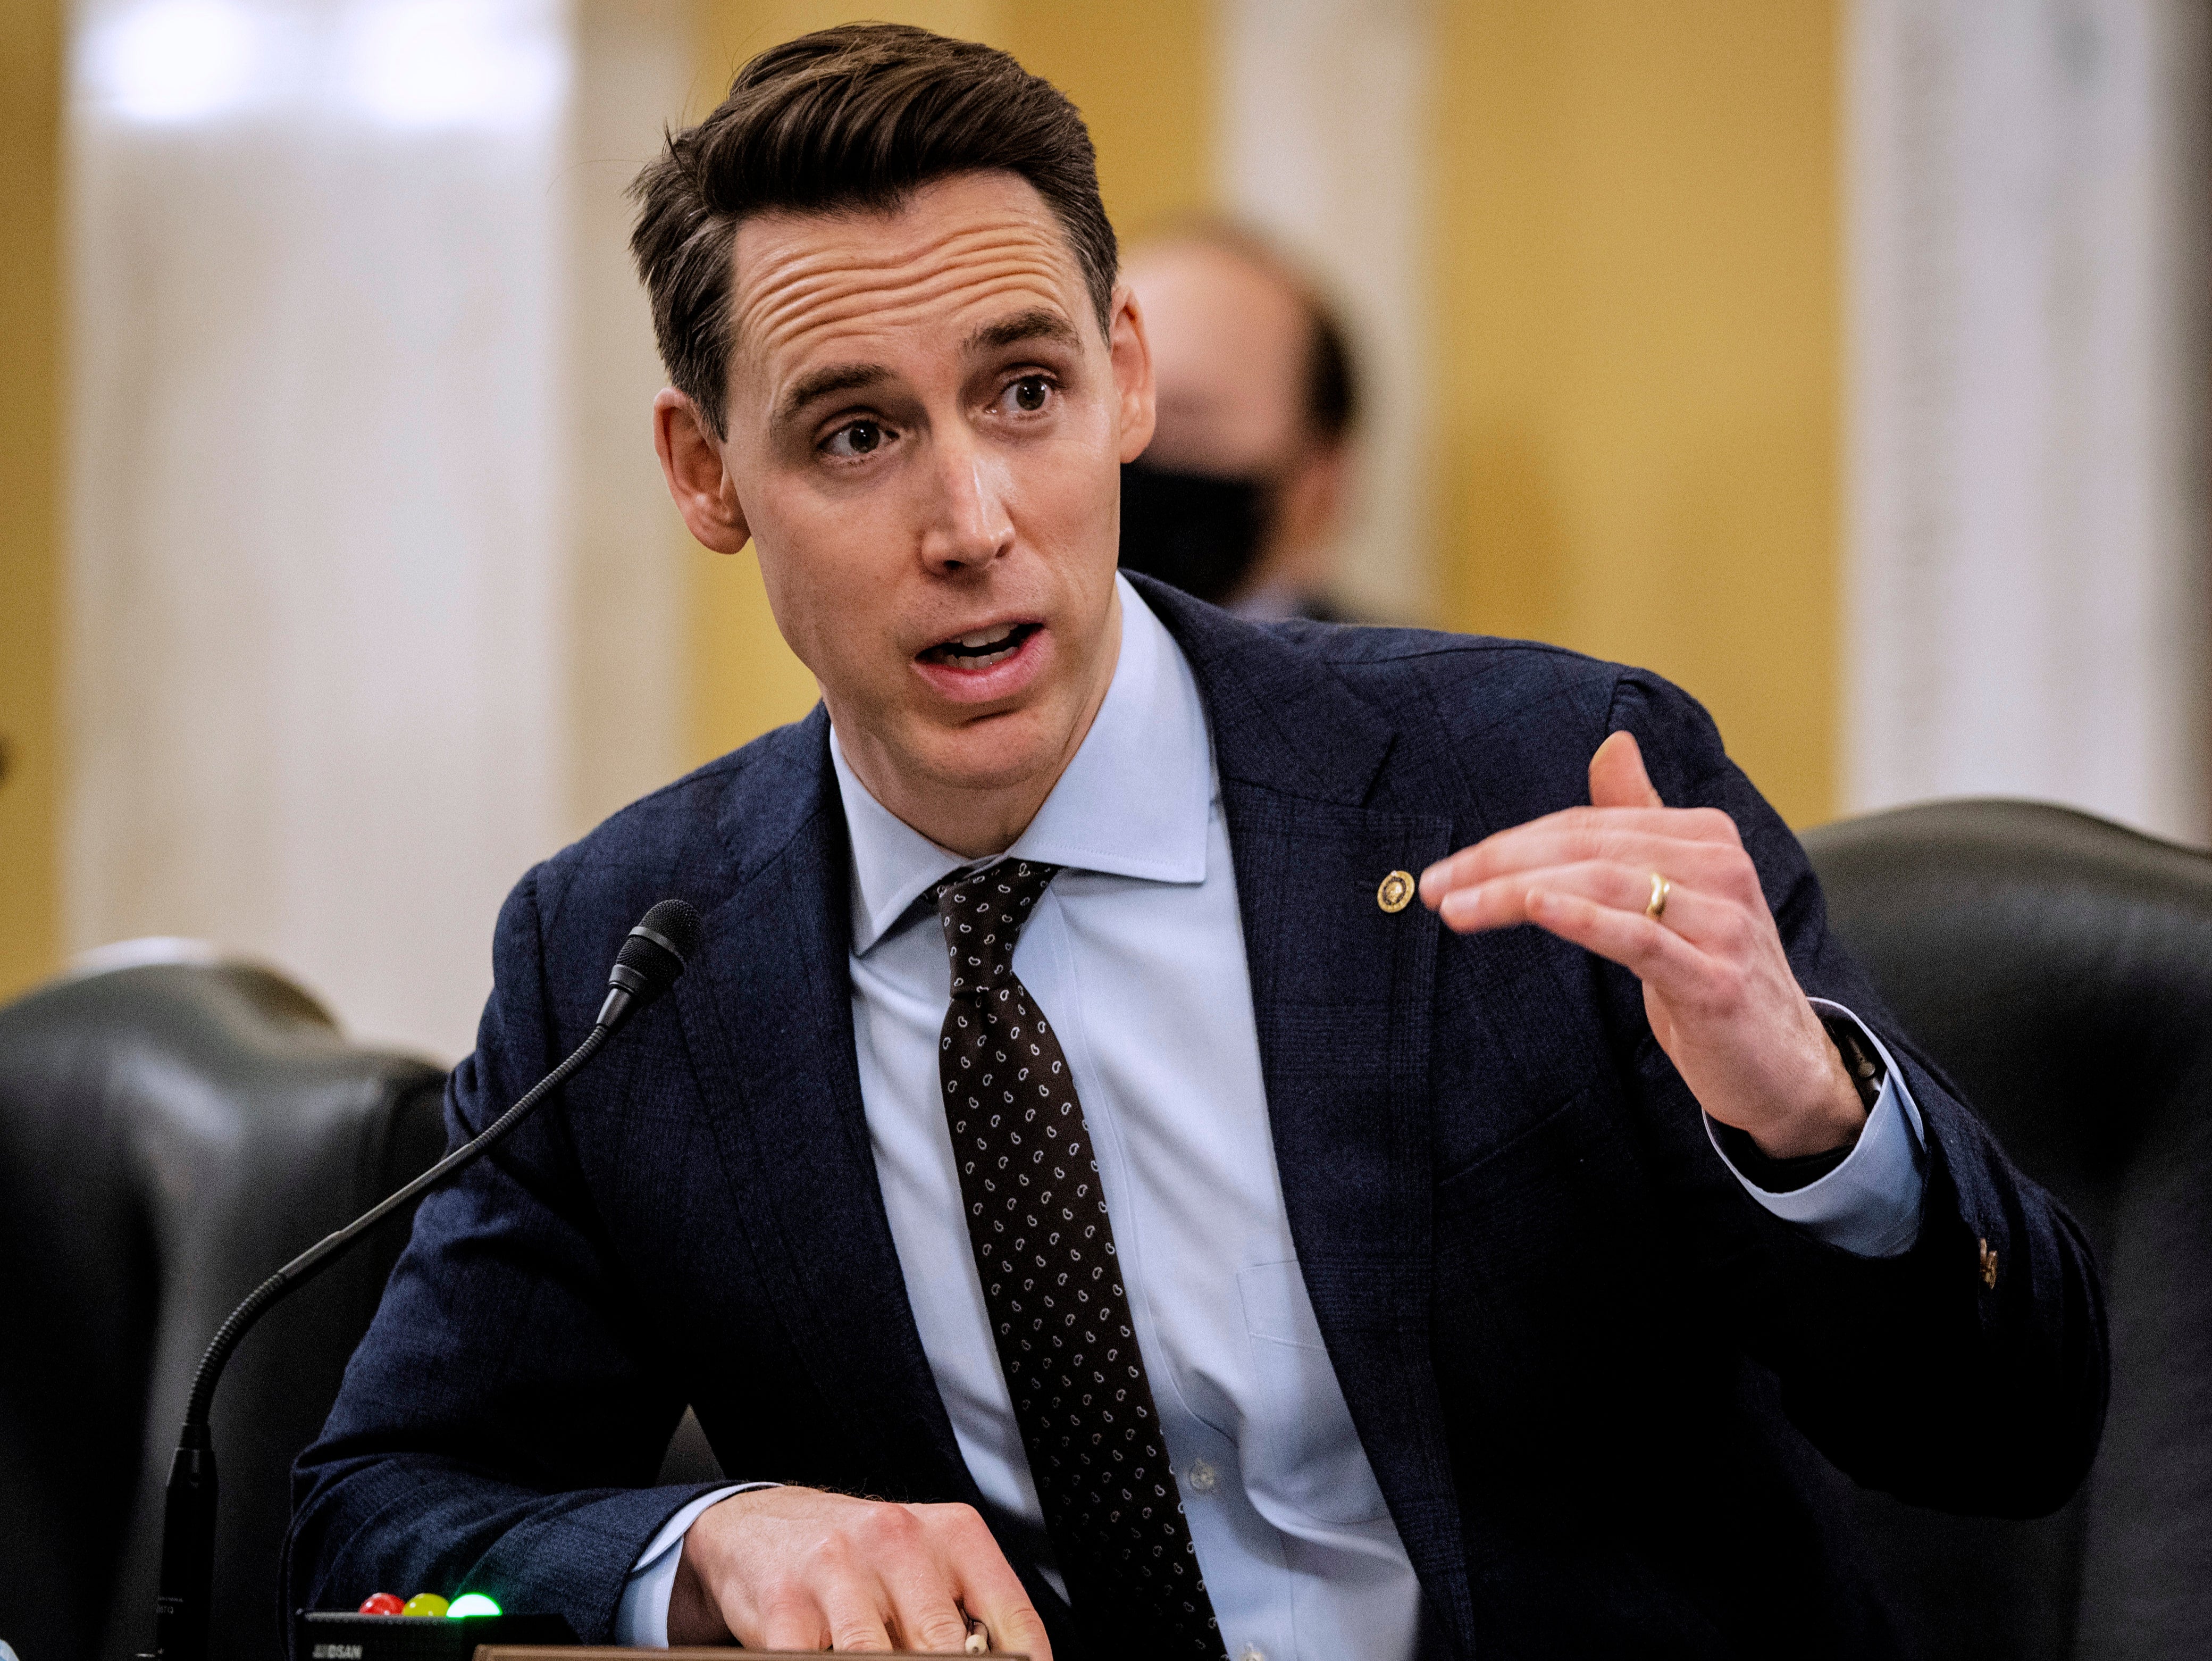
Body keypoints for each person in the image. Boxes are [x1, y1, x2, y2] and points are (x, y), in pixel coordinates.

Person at [288, 24, 2105, 1661]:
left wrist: (1812, 1126)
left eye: (1025, 393)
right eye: (854, 434)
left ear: (1125, 378)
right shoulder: (628, 957)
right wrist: (704, 1543)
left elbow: (2014, 1432)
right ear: (706, 475)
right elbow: (372, 1515)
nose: (972, 521)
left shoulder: (1535, 776)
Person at [1117, 227, 1360, 621]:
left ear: (1321, 483)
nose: (1126, 449)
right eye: (1109, 411)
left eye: (1185, 426)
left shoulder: (1410, 662)